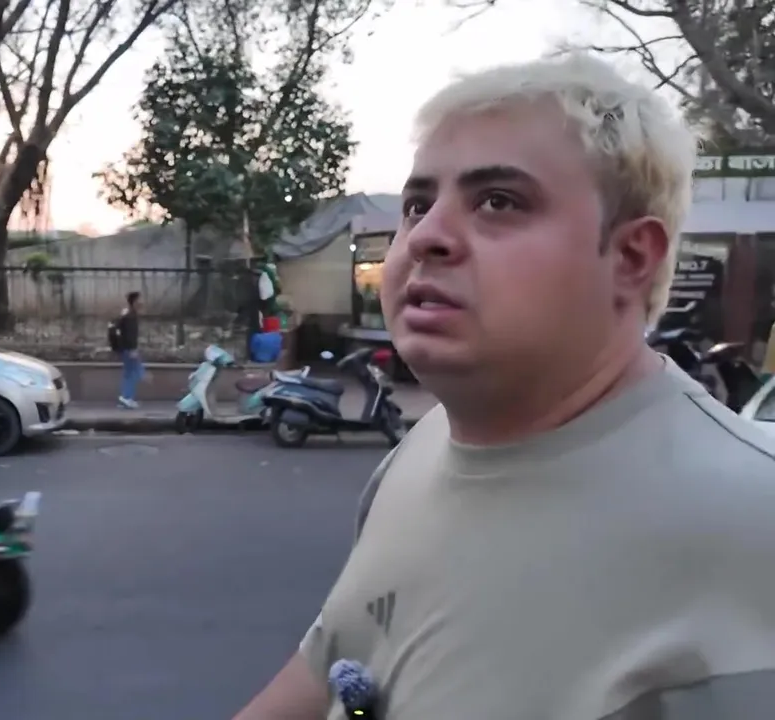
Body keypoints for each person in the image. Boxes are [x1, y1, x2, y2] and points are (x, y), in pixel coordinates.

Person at [234, 53, 775, 720]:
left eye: (498, 201)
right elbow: (326, 667)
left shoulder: (754, 524)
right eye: (418, 204)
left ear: (631, 257)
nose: (426, 236)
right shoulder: (417, 452)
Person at [115, 291, 144, 408]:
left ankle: (126, 398)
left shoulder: (128, 314)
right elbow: (129, 334)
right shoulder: (130, 316)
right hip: (129, 349)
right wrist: (132, 349)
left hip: (126, 349)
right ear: (134, 302)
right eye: (139, 300)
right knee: (134, 373)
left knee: (130, 373)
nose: (142, 302)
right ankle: (127, 397)